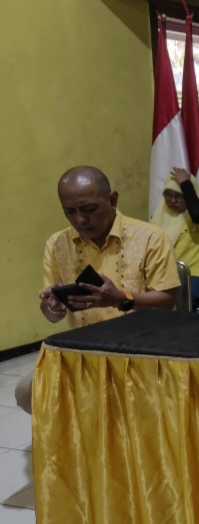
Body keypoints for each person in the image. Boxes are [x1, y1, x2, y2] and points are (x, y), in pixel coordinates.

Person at [16, 166, 179, 414]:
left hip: (143, 351)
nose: (80, 220)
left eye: (89, 209)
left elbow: (167, 299)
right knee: (27, 391)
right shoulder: (58, 244)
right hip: (84, 353)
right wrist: (52, 305)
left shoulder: (150, 238)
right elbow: (52, 316)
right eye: (70, 211)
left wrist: (120, 299)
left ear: (112, 200)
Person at [151, 167, 199, 306]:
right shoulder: (158, 217)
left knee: (172, 302)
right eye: (168, 195)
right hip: (167, 277)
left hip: (198, 274)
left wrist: (185, 184)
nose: (172, 200)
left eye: (179, 195)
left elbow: (197, 214)